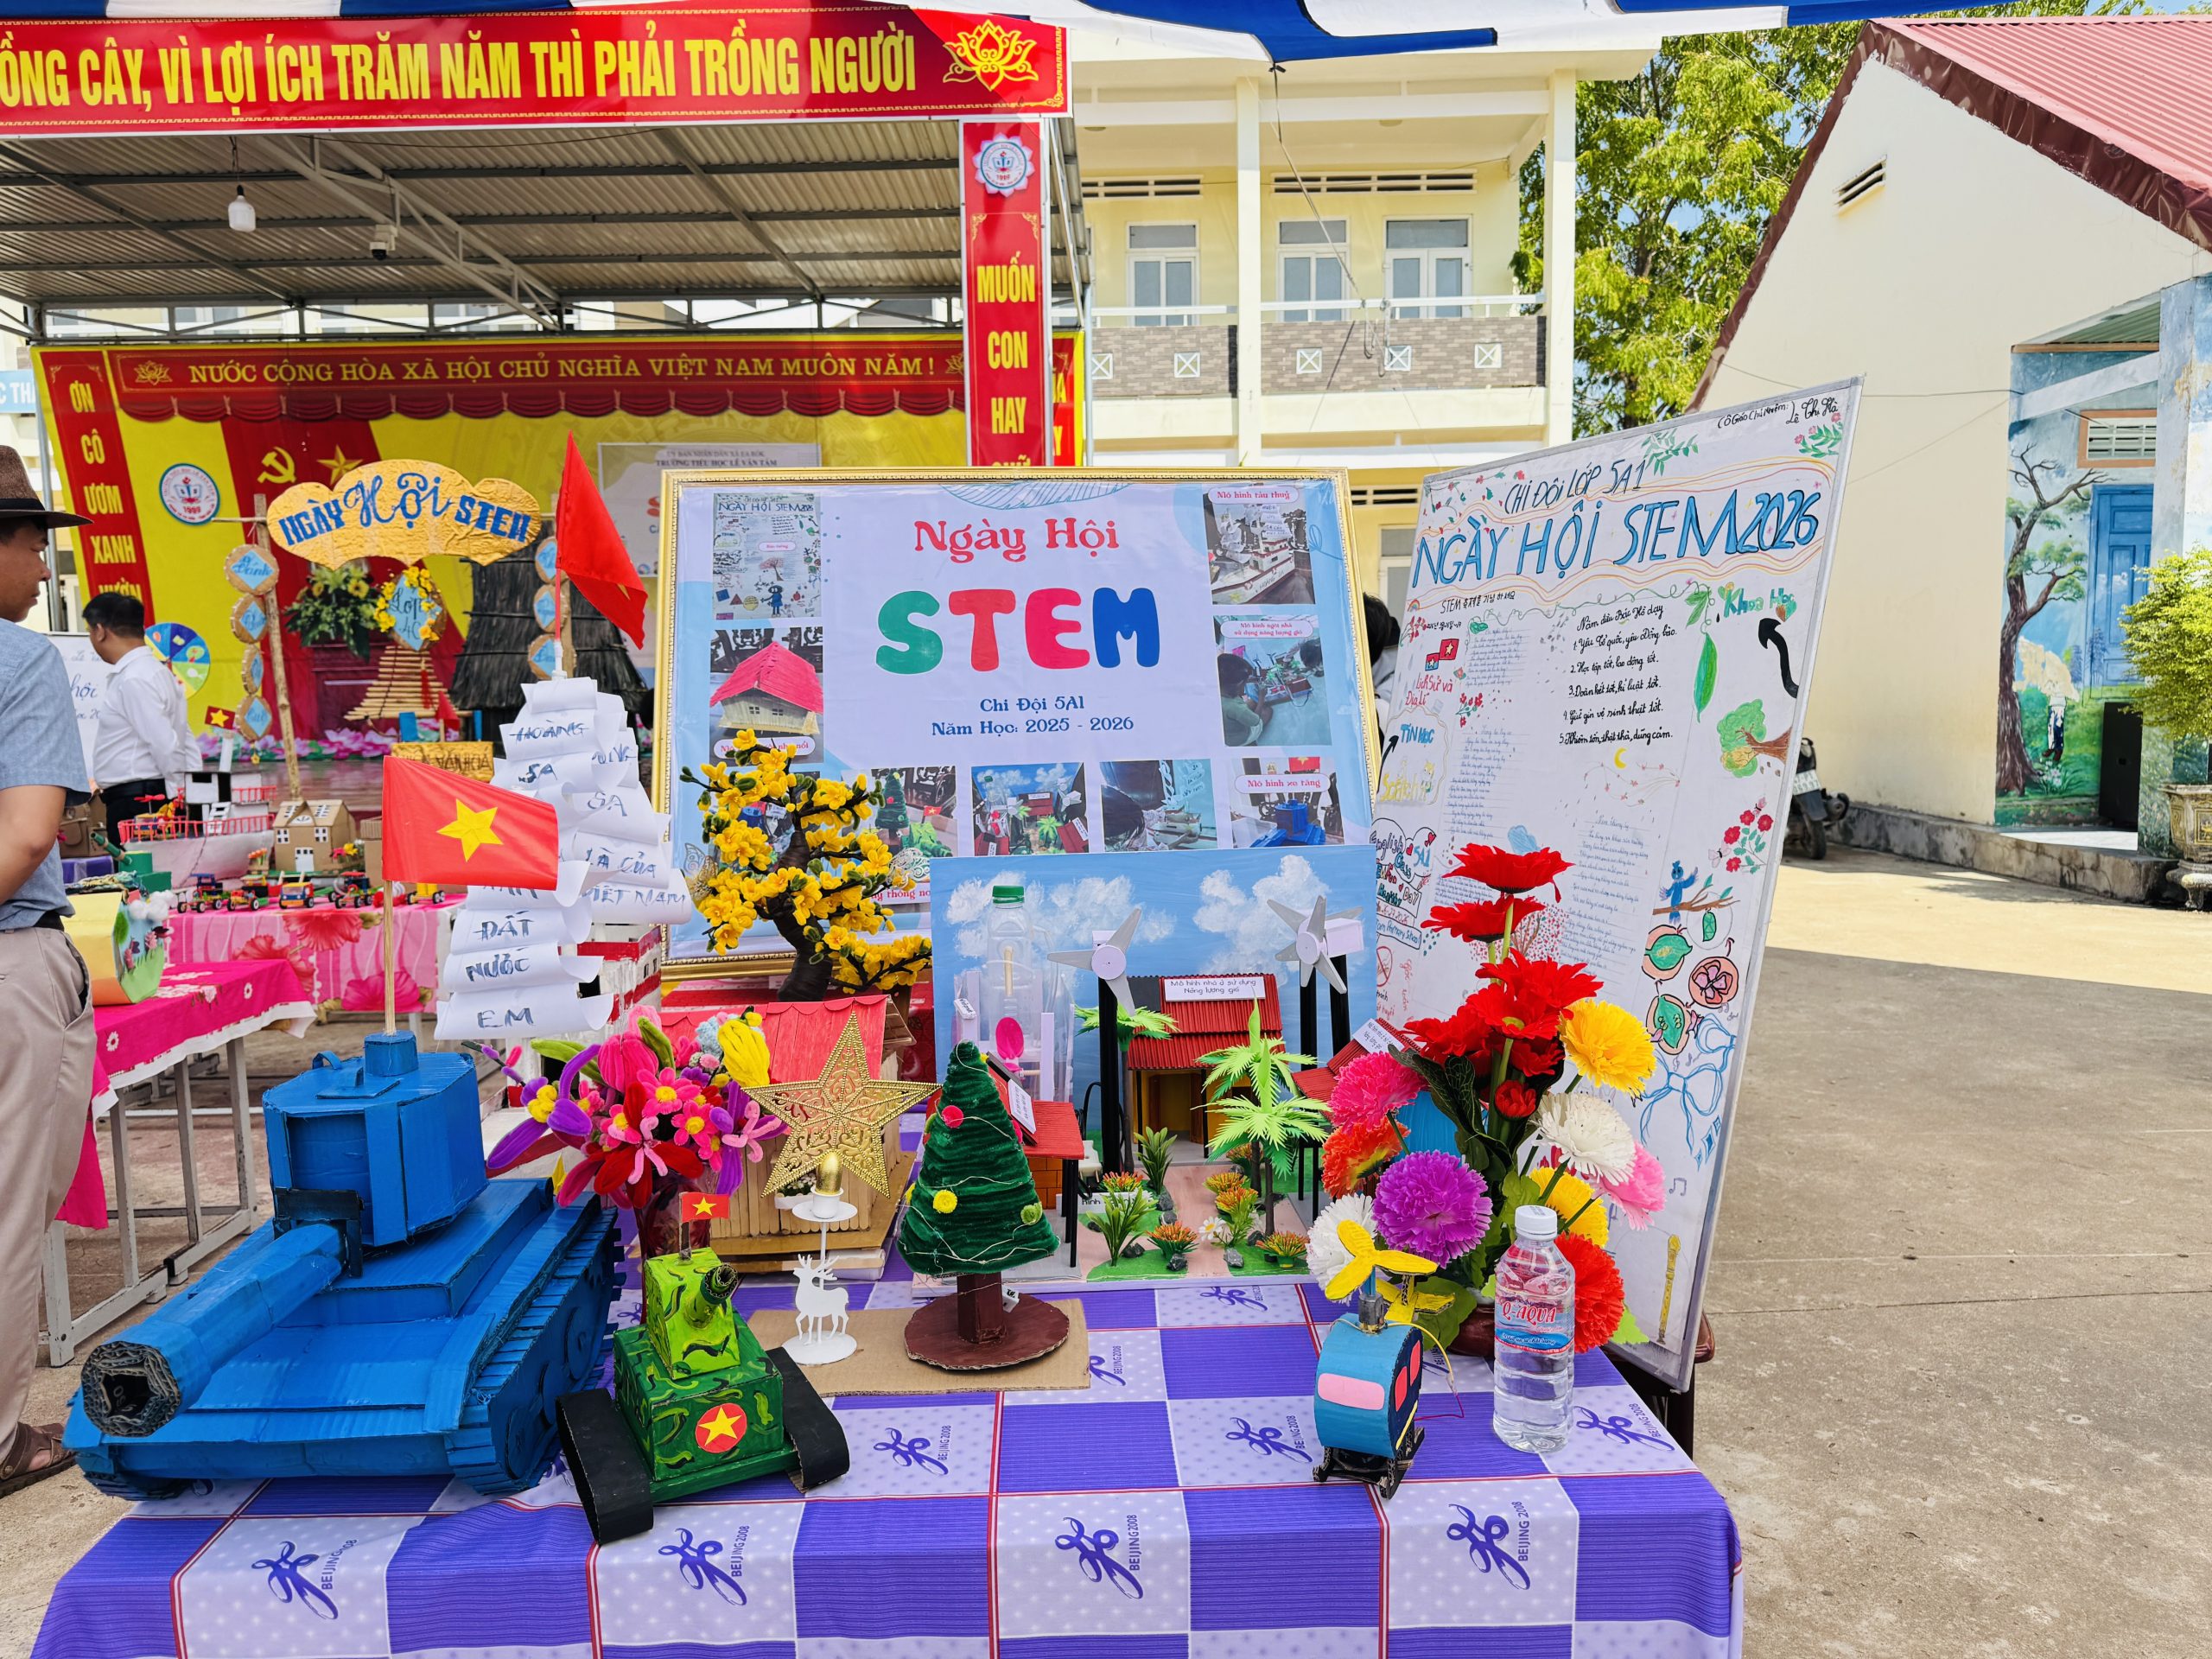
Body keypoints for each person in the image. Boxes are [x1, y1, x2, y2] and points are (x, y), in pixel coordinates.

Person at [0, 445, 93, 1494]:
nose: (39, 567)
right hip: (8, 959)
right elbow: (28, 834)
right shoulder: (21, 662)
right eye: (31, 544)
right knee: (6, 1209)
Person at [84, 589, 199, 832]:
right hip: (150, 795)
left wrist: (178, 796)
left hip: (139, 801)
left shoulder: (134, 678)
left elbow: (164, 743)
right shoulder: (158, 673)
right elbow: (183, 738)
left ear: (100, 631)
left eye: (89, 631)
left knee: (139, 859)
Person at [1218, 652, 1268, 746]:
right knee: (1267, 711)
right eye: (1244, 683)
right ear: (1238, 685)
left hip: (1226, 733)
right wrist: (1262, 697)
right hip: (1240, 739)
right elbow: (1255, 721)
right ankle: (1252, 740)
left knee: (1252, 702)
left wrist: (1248, 680)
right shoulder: (1235, 707)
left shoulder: (1218, 688)